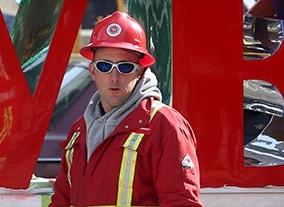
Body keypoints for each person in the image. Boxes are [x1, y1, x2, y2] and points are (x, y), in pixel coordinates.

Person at [49, 11, 202, 207]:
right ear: (93, 72)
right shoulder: (79, 131)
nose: (114, 77)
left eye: (125, 67)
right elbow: (61, 201)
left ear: (140, 71)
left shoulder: (165, 126)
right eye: (104, 66)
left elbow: (181, 202)